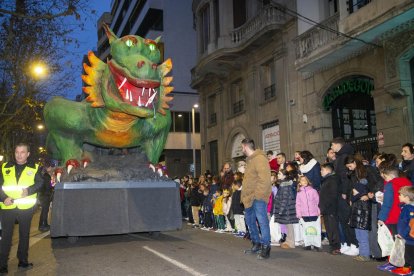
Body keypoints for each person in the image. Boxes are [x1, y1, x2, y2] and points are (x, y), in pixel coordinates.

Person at [0, 143, 43, 273]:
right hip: (7, 206)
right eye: (17, 152)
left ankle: (22, 262)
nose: (19, 155)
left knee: (24, 235)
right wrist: (3, 198)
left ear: (28, 154)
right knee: (6, 236)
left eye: (22, 152)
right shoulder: (5, 167)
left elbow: (40, 183)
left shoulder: (35, 168)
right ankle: (2, 265)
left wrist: (28, 191)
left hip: (26, 207)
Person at [240, 138, 272, 259]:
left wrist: (258, 196)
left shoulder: (259, 159)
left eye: (242, 147)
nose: (242, 149)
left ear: (245, 146)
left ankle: (266, 247)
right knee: (250, 222)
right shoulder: (250, 160)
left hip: (258, 197)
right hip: (248, 198)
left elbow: (264, 179)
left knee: (262, 222)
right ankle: (256, 243)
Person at [345, 155, 372, 262]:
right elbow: (354, 193)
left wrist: (356, 194)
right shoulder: (355, 175)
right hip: (357, 205)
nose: (349, 168)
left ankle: (365, 254)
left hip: (362, 206)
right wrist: (353, 195)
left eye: (350, 165)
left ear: (355, 163)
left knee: (362, 231)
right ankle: (362, 253)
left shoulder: (364, 175)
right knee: (358, 231)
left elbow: (358, 193)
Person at [378, 166, 412, 235]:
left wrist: (381, 218)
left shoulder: (390, 185)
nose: (385, 180)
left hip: (392, 216)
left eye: (386, 177)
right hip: (406, 216)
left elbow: (387, 203)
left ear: (390, 176)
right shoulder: (408, 182)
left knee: (393, 240)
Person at [273, 169, 298, 249]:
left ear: (284, 176)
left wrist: (281, 210)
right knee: (287, 225)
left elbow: (285, 199)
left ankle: (291, 243)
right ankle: (288, 241)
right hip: (286, 208)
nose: (278, 175)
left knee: (289, 225)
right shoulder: (283, 184)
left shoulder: (285, 185)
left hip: (287, 209)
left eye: (279, 174)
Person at [319, 163, 341, 255]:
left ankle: (336, 247)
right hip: (326, 209)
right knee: (329, 228)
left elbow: (332, 196)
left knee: (333, 228)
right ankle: (333, 246)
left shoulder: (332, 180)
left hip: (331, 209)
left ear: (328, 170)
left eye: (322, 170)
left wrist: (325, 207)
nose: (321, 171)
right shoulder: (326, 180)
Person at [295, 175, 320, 251]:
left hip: (314, 213)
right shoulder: (299, 193)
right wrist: (299, 213)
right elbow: (298, 204)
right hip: (304, 214)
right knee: (306, 229)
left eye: (305, 180)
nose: (304, 181)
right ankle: (308, 244)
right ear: (299, 183)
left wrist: (318, 210)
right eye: (302, 180)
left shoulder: (313, 191)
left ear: (308, 181)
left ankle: (316, 244)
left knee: (315, 229)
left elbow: (317, 201)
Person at [393, 186, 414, 276]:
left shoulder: (410, 209)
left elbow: (411, 224)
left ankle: (412, 270)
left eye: (400, 195)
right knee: (406, 253)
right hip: (406, 236)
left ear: (407, 197)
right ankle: (406, 268)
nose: (398, 196)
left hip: (409, 237)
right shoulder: (407, 207)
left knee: (410, 254)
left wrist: (402, 234)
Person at [38, 160, 54, 232]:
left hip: (42, 195)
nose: (51, 169)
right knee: (45, 211)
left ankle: (43, 224)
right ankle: (43, 225)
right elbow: (48, 186)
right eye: (50, 167)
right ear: (48, 167)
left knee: (44, 211)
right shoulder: (46, 176)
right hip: (45, 195)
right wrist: (52, 187)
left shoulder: (42, 174)